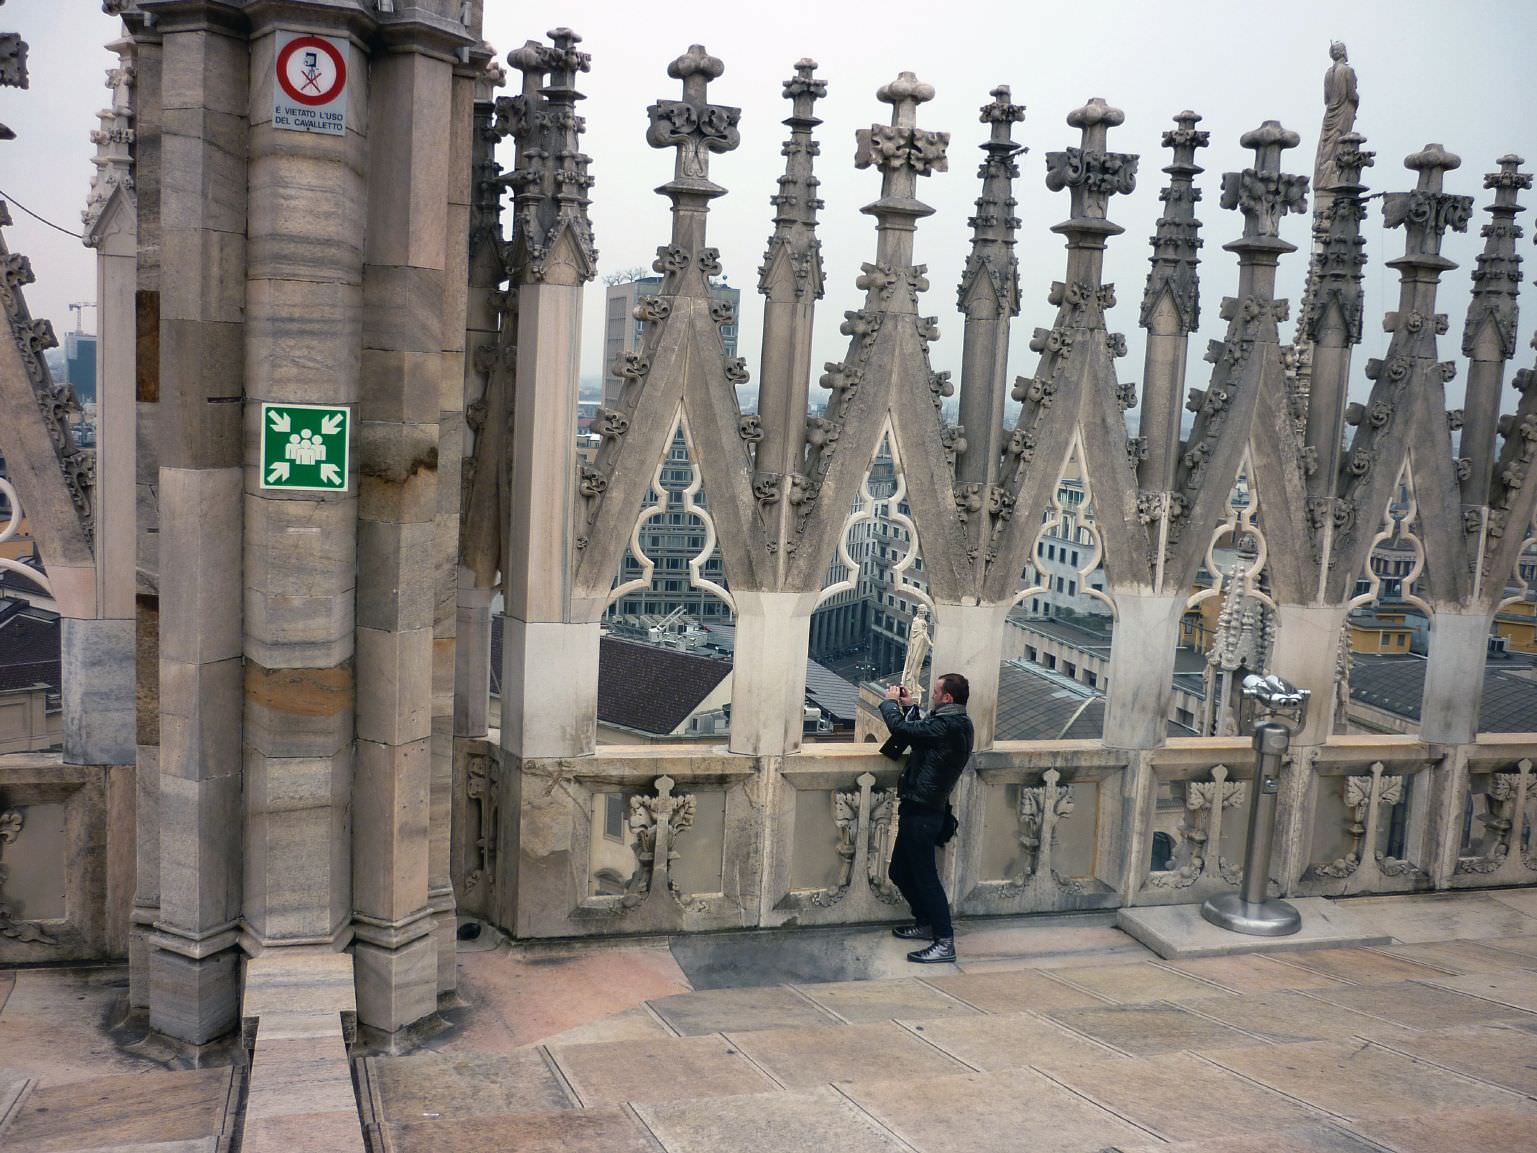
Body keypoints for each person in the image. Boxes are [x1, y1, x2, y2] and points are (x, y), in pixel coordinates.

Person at [879, 671, 973, 963]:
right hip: (917, 807)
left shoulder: (950, 725)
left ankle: (944, 942)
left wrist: (891, 704)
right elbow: (923, 730)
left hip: (924, 811)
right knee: (899, 872)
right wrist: (910, 707)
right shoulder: (950, 723)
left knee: (926, 878)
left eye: (935, 692)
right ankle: (926, 922)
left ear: (947, 697)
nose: (931, 695)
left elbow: (905, 731)